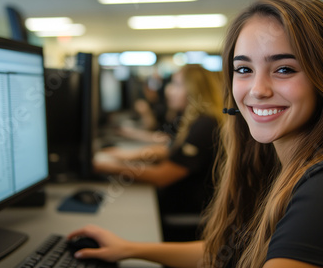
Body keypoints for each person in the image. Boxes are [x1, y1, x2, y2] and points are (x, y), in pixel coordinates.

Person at [69, 0, 323, 267]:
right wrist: (129, 248)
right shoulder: (275, 162)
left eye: (284, 69)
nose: (257, 89)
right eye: (243, 68)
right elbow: (227, 253)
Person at [94, 64, 225, 241]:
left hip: (187, 212)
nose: (169, 90)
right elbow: (168, 149)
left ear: (196, 89)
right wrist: (122, 155)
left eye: (177, 85)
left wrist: (107, 166)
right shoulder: (195, 119)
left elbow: (162, 176)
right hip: (179, 201)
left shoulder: (205, 125)